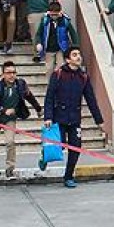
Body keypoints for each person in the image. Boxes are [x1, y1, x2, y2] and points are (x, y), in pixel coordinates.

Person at [42, 48, 104, 189]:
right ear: (68, 59)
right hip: (60, 117)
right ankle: (44, 156)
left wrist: (99, 120)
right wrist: (48, 117)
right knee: (59, 145)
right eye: (74, 55)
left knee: (75, 147)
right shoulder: (58, 75)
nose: (78, 57)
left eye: (79, 54)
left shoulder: (83, 77)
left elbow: (91, 99)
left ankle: (68, 176)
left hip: (75, 119)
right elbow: (49, 97)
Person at [0, 61, 41, 179]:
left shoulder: (21, 84)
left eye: (13, 72)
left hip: (10, 119)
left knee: (10, 142)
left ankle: (10, 167)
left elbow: (29, 96)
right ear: (3, 75)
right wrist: (3, 110)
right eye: (8, 73)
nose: (11, 75)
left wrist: (38, 109)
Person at [35, 2, 79, 77]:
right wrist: (38, 43)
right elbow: (39, 33)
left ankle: (59, 84)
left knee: (61, 67)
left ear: (59, 12)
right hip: (48, 48)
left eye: (56, 14)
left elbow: (73, 33)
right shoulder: (45, 21)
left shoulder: (65, 21)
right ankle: (51, 85)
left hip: (61, 48)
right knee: (49, 69)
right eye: (52, 14)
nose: (54, 16)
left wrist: (75, 46)